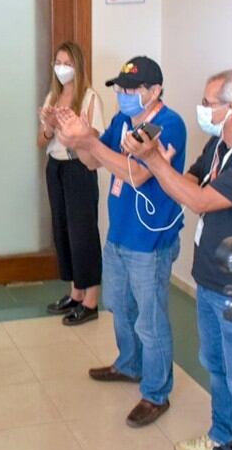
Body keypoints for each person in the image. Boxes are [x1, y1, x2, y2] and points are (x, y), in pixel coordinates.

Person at [121, 69, 232, 450]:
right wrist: (158, 161)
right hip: (212, 278)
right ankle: (222, 437)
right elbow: (191, 183)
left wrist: (153, 162)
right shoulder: (219, 145)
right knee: (215, 365)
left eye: (209, 103)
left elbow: (199, 200)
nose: (202, 109)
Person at [56, 56, 186, 428]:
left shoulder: (168, 125)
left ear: (155, 91)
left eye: (133, 90)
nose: (125, 96)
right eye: (122, 89)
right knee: (121, 310)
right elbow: (92, 162)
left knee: (151, 320)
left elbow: (137, 175)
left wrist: (89, 142)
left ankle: (156, 393)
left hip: (151, 238)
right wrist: (75, 138)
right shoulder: (123, 121)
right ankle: (129, 365)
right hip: (119, 233)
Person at [38, 42, 105, 326]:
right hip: (55, 167)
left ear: (78, 66)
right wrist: (51, 126)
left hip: (79, 167)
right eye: (57, 61)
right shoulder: (53, 96)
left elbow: (96, 141)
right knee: (62, 230)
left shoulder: (90, 98)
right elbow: (41, 141)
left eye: (67, 62)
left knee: (83, 233)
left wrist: (74, 130)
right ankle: (75, 292)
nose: (61, 67)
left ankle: (91, 300)